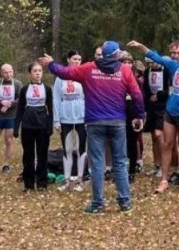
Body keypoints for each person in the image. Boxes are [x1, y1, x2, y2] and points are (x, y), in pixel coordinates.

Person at [42, 41, 144, 213]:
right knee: (119, 162)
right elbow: (136, 94)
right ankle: (124, 202)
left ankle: (98, 203)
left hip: (95, 122)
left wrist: (51, 63)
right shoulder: (124, 70)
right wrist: (139, 115)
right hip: (117, 122)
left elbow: (65, 72)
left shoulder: (89, 68)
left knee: (97, 163)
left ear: (103, 54)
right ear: (116, 54)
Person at [130, 39, 179, 194]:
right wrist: (141, 46)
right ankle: (164, 180)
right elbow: (156, 57)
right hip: (170, 112)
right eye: (175, 53)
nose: (176, 56)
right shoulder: (173, 65)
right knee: (167, 144)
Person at [13, 62, 54, 192]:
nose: (37, 73)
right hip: (27, 126)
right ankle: (29, 184)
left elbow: (51, 109)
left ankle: (42, 183)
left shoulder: (47, 89)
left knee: (42, 155)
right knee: (28, 156)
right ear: (30, 73)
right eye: (35, 71)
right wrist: (16, 127)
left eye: (40, 71)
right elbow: (20, 109)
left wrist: (50, 125)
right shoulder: (24, 89)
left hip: (42, 126)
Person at [54, 50, 88, 192]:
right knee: (67, 148)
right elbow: (56, 99)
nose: (77, 61)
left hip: (81, 117)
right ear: (68, 59)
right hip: (65, 117)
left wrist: (88, 116)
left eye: (79, 59)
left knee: (81, 148)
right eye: (74, 59)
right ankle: (67, 180)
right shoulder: (60, 77)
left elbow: (88, 97)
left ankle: (80, 180)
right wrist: (56, 120)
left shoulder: (83, 75)